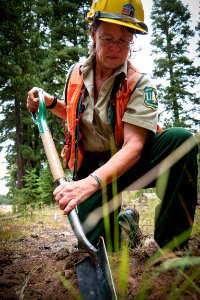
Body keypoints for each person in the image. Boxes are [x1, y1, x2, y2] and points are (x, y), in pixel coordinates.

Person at [27, 0, 198, 252]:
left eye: (124, 41)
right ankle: (126, 223)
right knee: (97, 244)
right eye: (108, 38)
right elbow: (81, 117)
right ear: (93, 33)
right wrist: (51, 104)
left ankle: (171, 246)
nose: (116, 48)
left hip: (130, 162)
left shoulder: (140, 84)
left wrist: (88, 185)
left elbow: (135, 146)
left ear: (132, 42)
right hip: (92, 165)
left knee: (181, 140)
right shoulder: (76, 74)